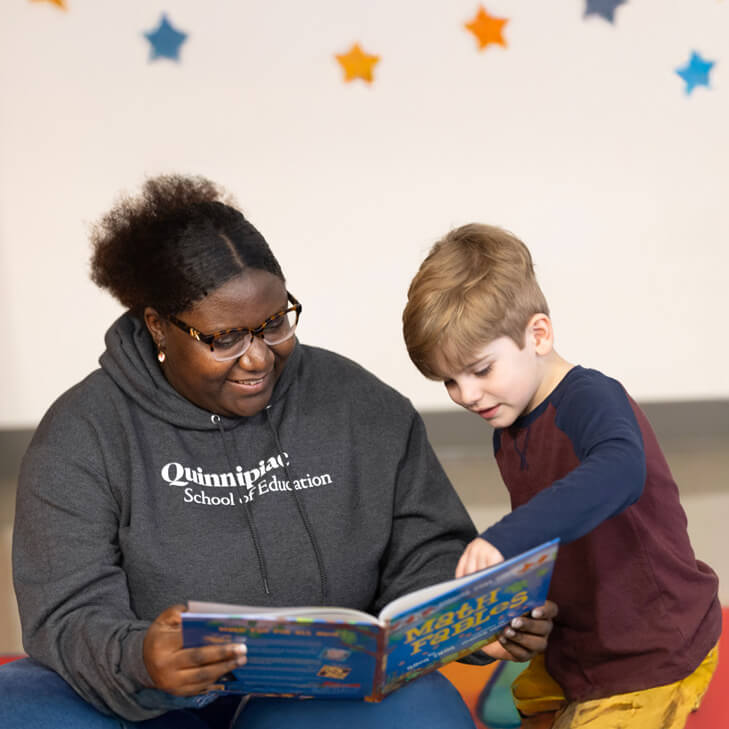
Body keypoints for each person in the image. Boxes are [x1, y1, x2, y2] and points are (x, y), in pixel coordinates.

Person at [0, 178, 557, 729]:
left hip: (318, 700)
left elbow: (427, 558)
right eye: (225, 339)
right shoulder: (83, 433)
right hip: (148, 705)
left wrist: (480, 623)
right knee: (16, 702)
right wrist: (140, 657)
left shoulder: (362, 406)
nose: (258, 358)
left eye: (273, 324)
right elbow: (69, 615)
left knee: (424, 708)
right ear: (158, 328)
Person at [401, 223, 722, 729]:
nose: (466, 395)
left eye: (480, 370)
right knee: (533, 706)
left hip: (648, 648)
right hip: (579, 637)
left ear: (539, 335)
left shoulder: (589, 398)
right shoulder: (505, 421)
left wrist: (507, 538)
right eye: (449, 381)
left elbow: (620, 470)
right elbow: (556, 525)